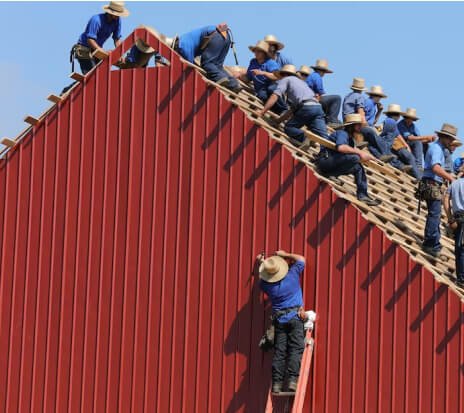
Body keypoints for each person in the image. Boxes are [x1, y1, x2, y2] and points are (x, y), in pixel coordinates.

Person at [256, 250, 307, 393]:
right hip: (295, 318)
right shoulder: (292, 276)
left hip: (279, 321)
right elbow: (301, 259)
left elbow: (262, 279)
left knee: (280, 352)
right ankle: (292, 381)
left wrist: (262, 263)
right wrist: (286, 254)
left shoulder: (267, 286)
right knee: (295, 349)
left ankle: (277, 384)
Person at [316, 113, 381, 206]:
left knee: (358, 167)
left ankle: (363, 195)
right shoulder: (343, 134)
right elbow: (341, 147)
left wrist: (370, 157)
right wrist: (360, 153)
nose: (360, 128)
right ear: (352, 126)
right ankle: (330, 174)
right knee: (355, 158)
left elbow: (352, 149)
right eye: (358, 125)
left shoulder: (350, 139)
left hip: (333, 162)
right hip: (325, 161)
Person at [257, 64, 328, 146]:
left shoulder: (286, 79)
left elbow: (275, 96)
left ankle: (306, 138)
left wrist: (262, 112)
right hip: (318, 107)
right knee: (324, 138)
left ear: (283, 74)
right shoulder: (302, 84)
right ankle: (329, 154)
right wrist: (278, 121)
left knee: (289, 128)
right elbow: (292, 110)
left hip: (306, 107)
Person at [420, 123, 458, 256]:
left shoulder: (439, 148)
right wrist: (451, 179)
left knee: (434, 213)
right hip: (431, 183)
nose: (452, 142)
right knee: (434, 214)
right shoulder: (437, 149)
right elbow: (436, 168)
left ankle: (433, 242)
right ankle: (430, 243)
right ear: (444, 137)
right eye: (450, 139)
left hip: (432, 183)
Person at [174, 23, 241, 92]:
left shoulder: (181, 45)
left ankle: (220, 77)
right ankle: (234, 84)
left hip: (216, 35)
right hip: (227, 37)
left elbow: (189, 63)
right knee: (217, 66)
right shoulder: (188, 39)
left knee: (207, 63)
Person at [74, 1, 129, 74]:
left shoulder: (117, 21)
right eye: (117, 14)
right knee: (92, 77)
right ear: (110, 13)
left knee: (101, 75)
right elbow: (90, 40)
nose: (118, 16)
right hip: (84, 49)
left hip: (97, 50)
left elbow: (117, 39)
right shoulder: (96, 20)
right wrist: (103, 52)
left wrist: (120, 54)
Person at [240, 41, 287, 114]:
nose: (256, 53)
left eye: (259, 51)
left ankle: (284, 109)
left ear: (264, 53)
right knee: (262, 95)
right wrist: (239, 76)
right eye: (255, 51)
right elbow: (248, 77)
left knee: (271, 89)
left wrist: (263, 73)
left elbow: (276, 77)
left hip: (271, 85)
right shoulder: (253, 62)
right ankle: (275, 110)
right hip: (261, 89)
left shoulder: (270, 63)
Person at [381, 104, 420, 178]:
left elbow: (398, 135)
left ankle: (416, 168)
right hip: (388, 146)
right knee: (408, 157)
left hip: (391, 145)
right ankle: (418, 175)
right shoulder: (391, 122)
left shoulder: (391, 122)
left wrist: (406, 145)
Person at [304, 59, 341, 127]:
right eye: (324, 72)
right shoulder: (317, 76)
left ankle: (327, 119)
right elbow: (320, 91)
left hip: (308, 99)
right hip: (312, 99)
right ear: (322, 71)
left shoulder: (312, 75)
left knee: (326, 102)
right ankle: (332, 120)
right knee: (337, 98)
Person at [444, 172, 464, 288]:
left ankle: (461, 278)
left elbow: (445, 200)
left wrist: (450, 218)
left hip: (458, 219)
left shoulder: (454, 184)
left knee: (460, 249)